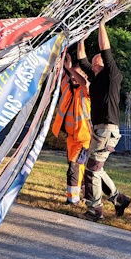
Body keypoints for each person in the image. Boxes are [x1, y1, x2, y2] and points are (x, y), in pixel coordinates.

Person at [76, 16, 131, 221]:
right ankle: (119, 199)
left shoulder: (112, 75)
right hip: (101, 130)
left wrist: (101, 24)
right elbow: (81, 59)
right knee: (96, 168)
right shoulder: (97, 76)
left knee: (91, 170)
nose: (95, 58)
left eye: (98, 57)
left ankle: (95, 211)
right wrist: (81, 38)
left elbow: (105, 48)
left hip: (106, 130)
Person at [52, 52, 91, 205]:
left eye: (77, 75)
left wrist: (70, 69)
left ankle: (72, 200)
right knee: (82, 170)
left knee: (74, 168)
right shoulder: (67, 87)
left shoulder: (86, 91)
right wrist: (59, 55)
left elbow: (85, 84)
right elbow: (59, 72)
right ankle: (116, 197)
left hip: (83, 139)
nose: (73, 78)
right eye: (72, 76)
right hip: (71, 138)